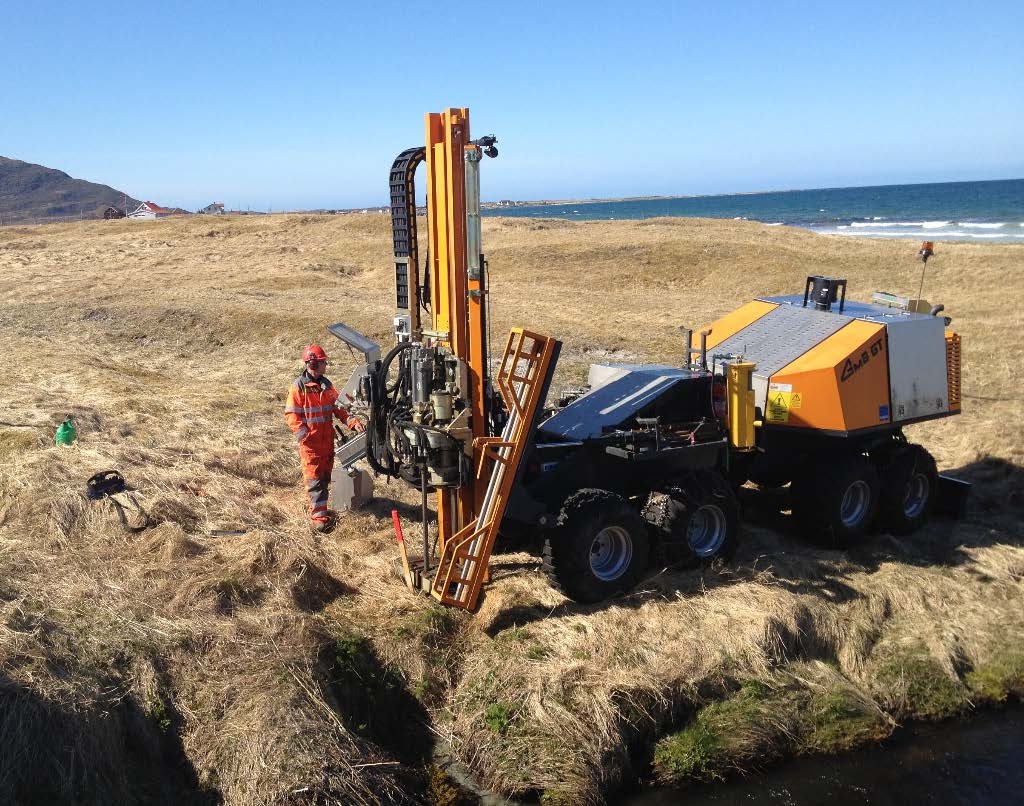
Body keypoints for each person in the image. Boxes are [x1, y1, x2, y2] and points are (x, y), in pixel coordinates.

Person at [285, 344, 364, 532]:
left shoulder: (327, 386)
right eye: (323, 362)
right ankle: (318, 517)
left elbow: (339, 409)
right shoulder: (299, 388)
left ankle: (321, 507)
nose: (325, 365)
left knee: (325, 477)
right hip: (311, 445)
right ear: (313, 363)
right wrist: (304, 435)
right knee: (314, 479)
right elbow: (291, 415)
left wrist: (353, 422)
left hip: (327, 442)